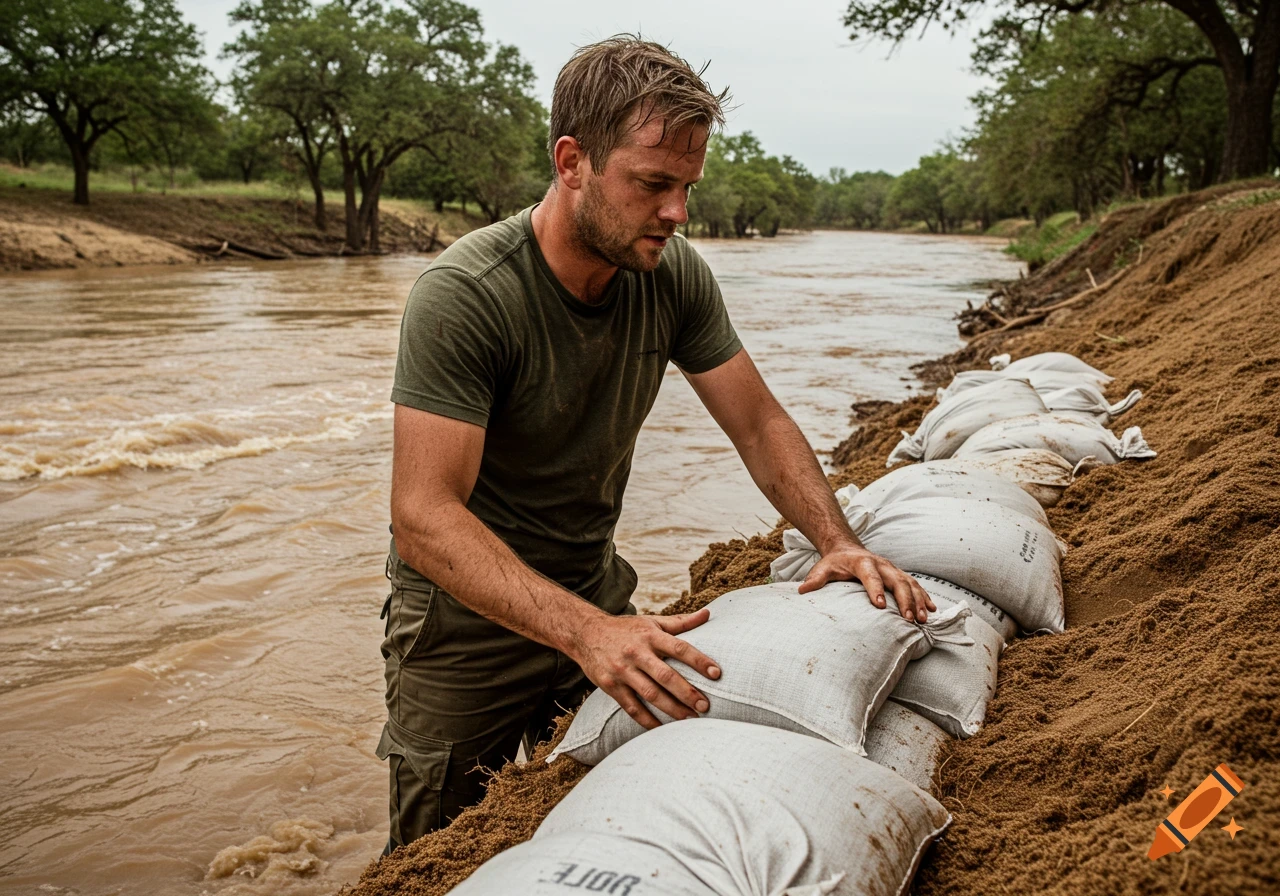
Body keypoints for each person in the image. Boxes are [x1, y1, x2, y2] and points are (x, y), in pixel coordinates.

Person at [377, 35, 935, 851]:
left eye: (687, 187)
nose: (677, 212)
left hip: (594, 596)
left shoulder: (671, 274)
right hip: (464, 641)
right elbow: (422, 518)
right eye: (652, 184)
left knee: (608, 830)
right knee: (439, 856)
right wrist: (586, 633)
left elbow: (759, 422)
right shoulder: (466, 297)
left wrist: (836, 541)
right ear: (573, 162)